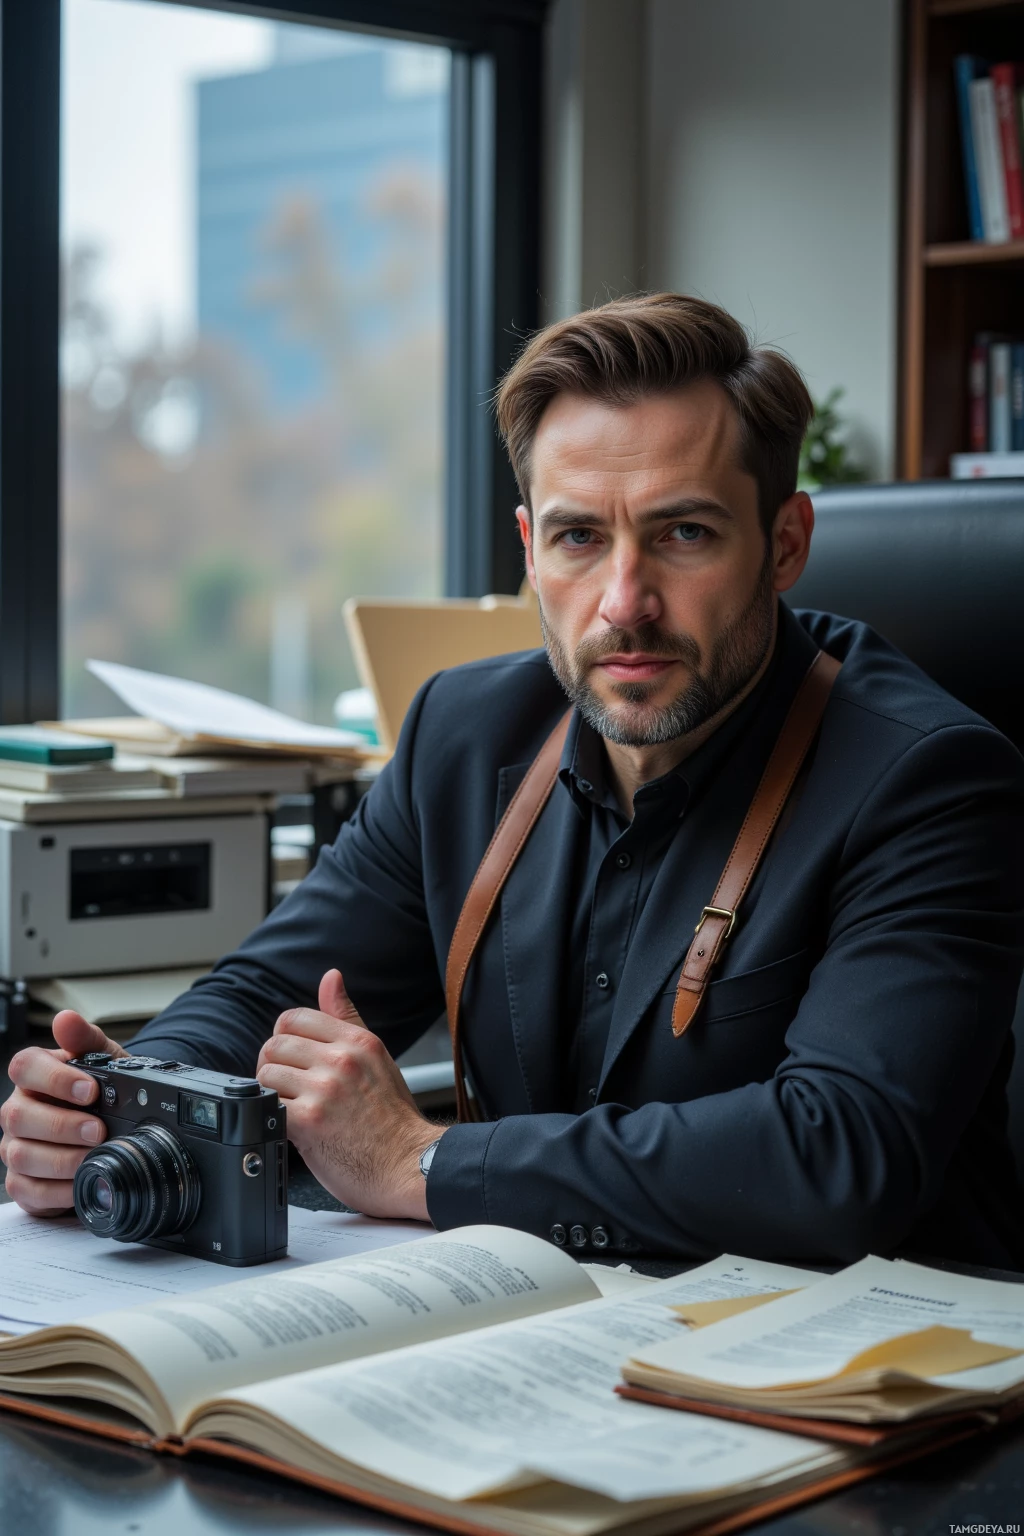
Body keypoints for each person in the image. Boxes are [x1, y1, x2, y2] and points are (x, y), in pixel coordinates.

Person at [4, 293, 1024, 1267]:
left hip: (859, 1353)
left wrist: (422, 1160)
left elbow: (840, 1152)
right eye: (581, 537)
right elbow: (269, 993)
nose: (624, 602)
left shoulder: (926, 779)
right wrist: (116, 1103)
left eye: (684, 533)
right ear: (531, 549)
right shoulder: (464, 733)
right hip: (546, 1321)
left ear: (785, 543)